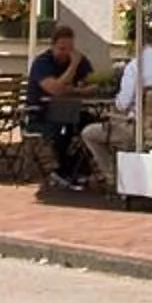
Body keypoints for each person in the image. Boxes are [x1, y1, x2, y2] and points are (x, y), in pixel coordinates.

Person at [81, 42, 152, 179]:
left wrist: (112, 108)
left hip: (139, 131)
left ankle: (113, 176)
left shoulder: (134, 67)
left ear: (133, 46)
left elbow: (122, 105)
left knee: (88, 133)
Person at [23, 23, 96, 189]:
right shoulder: (42, 63)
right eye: (62, 48)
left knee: (92, 125)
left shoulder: (80, 60)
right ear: (53, 46)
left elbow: (92, 85)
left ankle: (81, 169)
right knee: (64, 128)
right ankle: (61, 170)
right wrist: (73, 66)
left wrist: (72, 89)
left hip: (71, 110)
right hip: (41, 113)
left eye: (70, 49)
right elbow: (55, 90)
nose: (66, 53)